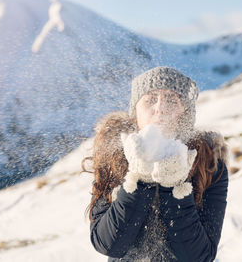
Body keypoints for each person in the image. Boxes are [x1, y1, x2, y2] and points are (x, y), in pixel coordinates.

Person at [85, 66, 229, 262]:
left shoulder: (209, 164)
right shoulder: (114, 157)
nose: (160, 108)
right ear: (135, 111)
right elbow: (108, 244)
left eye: (171, 100)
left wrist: (175, 188)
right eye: (150, 99)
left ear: (185, 113)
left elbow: (200, 256)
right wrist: (139, 181)